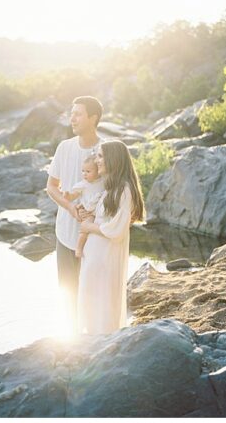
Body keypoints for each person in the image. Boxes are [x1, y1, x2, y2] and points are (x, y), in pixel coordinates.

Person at [46, 96, 103, 332]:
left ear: (93, 118)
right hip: (64, 235)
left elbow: (114, 192)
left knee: (91, 296)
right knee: (67, 294)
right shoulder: (64, 148)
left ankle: (92, 343)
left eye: (78, 114)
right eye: (72, 113)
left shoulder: (105, 150)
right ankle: (70, 343)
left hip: (95, 236)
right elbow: (51, 187)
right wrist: (70, 207)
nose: (72, 118)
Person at [76, 140, 145, 335]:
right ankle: (90, 337)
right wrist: (86, 213)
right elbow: (102, 216)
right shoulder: (110, 188)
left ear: (112, 159)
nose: (97, 161)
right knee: (92, 296)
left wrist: (90, 226)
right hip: (95, 253)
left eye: (100, 156)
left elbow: (117, 229)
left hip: (105, 254)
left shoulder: (124, 189)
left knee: (103, 298)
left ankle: (102, 339)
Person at [63, 156, 106, 258]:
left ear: (98, 171)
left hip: (100, 211)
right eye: (83, 171)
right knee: (85, 229)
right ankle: (79, 248)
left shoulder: (103, 182)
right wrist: (68, 195)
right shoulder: (83, 184)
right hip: (89, 211)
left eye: (88, 171)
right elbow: (74, 195)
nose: (84, 174)